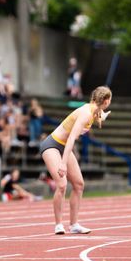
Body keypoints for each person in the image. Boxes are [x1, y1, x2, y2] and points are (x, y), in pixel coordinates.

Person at [40, 86, 112, 235]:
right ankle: (58, 224)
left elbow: (99, 115)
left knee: (79, 184)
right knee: (62, 184)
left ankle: (74, 224)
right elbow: (72, 137)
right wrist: (63, 162)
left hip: (64, 146)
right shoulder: (86, 113)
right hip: (52, 145)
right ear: (105, 101)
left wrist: (103, 116)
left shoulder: (94, 110)